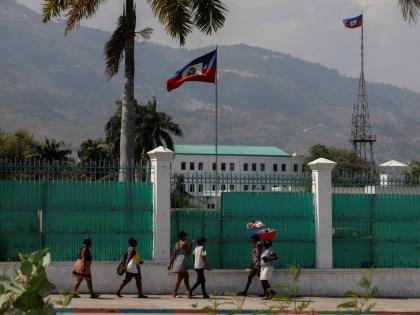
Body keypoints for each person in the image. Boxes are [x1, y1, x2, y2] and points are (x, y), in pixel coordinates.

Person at [168, 231, 193, 298]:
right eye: (185, 236)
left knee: (186, 277)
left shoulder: (177, 244)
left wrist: (170, 264)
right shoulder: (184, 244)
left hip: (178, 261)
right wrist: (191, 244)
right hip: (182, 261)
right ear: (182, 236)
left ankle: (189, 292)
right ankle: (175, 293)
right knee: (180, 278)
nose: (186, 237)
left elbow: (173, 255)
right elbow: (189, 252)